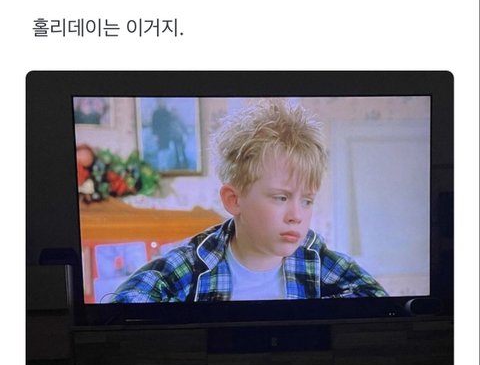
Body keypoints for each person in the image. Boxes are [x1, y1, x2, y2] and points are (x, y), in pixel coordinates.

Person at [112, 99, 388, 302]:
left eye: (307, 201)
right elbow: (122, 305)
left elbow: (381, 304)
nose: (296, 215)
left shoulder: (316, 258)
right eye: (281, 197)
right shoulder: (194, 261)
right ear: (234, 200)